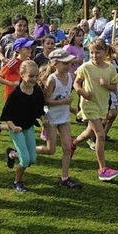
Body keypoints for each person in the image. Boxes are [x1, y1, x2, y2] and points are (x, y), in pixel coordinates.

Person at [71, 39, 118, 181]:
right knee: (100, 134)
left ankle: (72, 144)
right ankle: (102, 169)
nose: (94, 55)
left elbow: (113, 86)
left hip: (102, 105)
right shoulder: (86, 67)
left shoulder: (110, 68)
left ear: (105, 53)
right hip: (88, 104)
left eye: (97, 52)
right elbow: (76, 83)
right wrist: (82, 92)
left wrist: (108, 86)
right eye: (91, 53)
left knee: (89, 132)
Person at [35, 49, 82, 189]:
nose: (68, 66)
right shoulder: (52, 79)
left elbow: (65, 97)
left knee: (68, 148)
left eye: (69, 63)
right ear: (55, 64)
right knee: (51, 150)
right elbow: (46, 101)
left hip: (64, 117)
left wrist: (74, 110)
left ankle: (65, 177)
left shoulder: (70, 76)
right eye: (65, 63)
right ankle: (21, 151)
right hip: (51, 118)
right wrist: (64, 103)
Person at [1, 61, 47, 192]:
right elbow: (6, 116)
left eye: (36, 76)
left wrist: (44, 121)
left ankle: (12, 154)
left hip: (28, 127)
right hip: (16, 129)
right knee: (26, 160)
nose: (34, 79)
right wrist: (13, 127)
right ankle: (17, 182)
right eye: (31, 76)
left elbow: (39, 110)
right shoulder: (15, 94)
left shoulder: (37, 91)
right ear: (22, 74)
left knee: (32, 159)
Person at [0, 37, 35, 141]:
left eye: (30, 47)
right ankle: (0, 127)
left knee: (23, 120)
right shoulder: (14, 62)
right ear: (19, 49)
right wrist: (11, 83)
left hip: (24, 95)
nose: (30, 49)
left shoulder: (28, 62)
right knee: (18, 122)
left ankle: (0, 127)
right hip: (12, 95)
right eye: (27, 47)